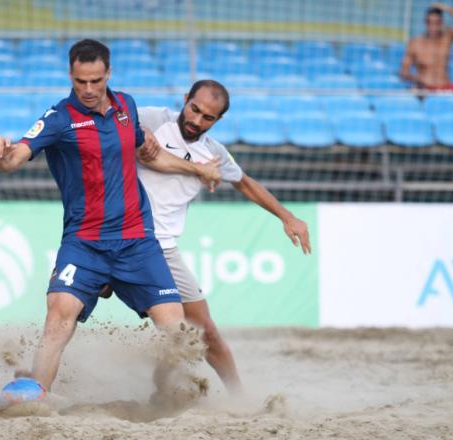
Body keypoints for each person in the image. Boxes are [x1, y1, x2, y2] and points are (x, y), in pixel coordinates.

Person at [0, 39, 221, 393]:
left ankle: (165, 392)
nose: (89, 89)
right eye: (81, 81)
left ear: (108, 73)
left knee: (175, 330)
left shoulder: (127, 105)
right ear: (71, 75)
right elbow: (13, 159)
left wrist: (197, 169)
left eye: (96, 80)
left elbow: (147, 155)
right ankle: (34, 394)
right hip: (85, 243)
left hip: (137, 241)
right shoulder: (59, 118)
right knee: (59, 315)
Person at [100, 80, 312, 394]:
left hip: (162, 248)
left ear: (218, 121)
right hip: (116, 235)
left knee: (203, 332)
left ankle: (239, 400)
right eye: (194, 109)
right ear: (184, 100)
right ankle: (38, 375)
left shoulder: (213, 154)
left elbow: (245, 183)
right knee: (70, 302)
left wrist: (287, 216)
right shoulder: (152, 120)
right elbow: (106, 116)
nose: (197, 120)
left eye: (207, 117)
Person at [400, 3, 453, 91]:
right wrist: (416, 78)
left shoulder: (447, 37)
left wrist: (447, 9)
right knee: (412, 92)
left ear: (442, 23)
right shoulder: (415, 43)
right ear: (425, 23)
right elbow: (403, 72)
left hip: (445, 86)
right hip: (424, 88)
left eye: (437, 23)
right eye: (430, 23)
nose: (433, 27)